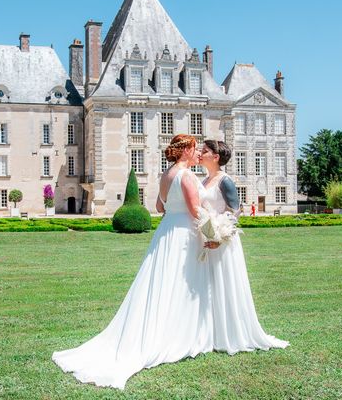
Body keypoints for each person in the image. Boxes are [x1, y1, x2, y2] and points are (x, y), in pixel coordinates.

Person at [52, 134, 216, 389]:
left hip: (165, 232)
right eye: (195, 149)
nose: (198, 154)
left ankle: (171, 330)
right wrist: (212, 231)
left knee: (162, 285)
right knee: (183, 284)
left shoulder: (166, 175)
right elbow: (196, 210)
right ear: (185, 150)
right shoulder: (186, 176)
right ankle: (180, 335)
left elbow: (160, 208)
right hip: (184, 233)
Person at [198, 139, 289, 354]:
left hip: (222, 240)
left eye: (205, 151)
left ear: (216, 157)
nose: (201, 153)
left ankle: (230, 333)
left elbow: (235, 211)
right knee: (209, 286)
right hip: (208, 236)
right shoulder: (204, 180)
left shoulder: (225, 180)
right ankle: (210, 332)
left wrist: (221, 234)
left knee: (224, 283)